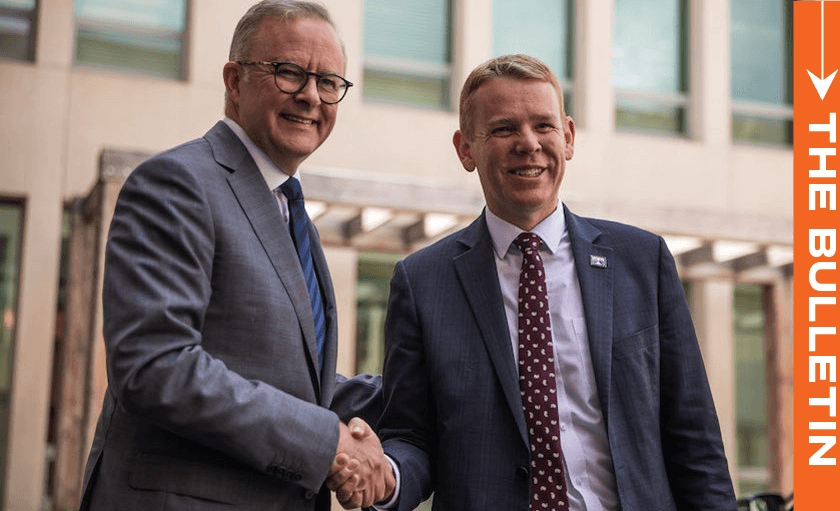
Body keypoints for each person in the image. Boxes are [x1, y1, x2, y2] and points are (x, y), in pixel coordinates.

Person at [376, 54, 738, 511]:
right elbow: (411, 434)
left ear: (567, 138)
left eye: (543, 126)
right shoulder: (422, 282)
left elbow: (695, 437)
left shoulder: (642, 262)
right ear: (466, 148)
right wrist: (387, 477)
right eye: (504, 128)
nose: (528, 144)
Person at [78, 2, 393, 510]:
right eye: (289, 73)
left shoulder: (291, 213)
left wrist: (421, 390)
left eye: (329, 81)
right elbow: (156, 366)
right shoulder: (177, 184)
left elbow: (293, 383)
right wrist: (325, 441)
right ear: (234, 80)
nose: (311, 96)